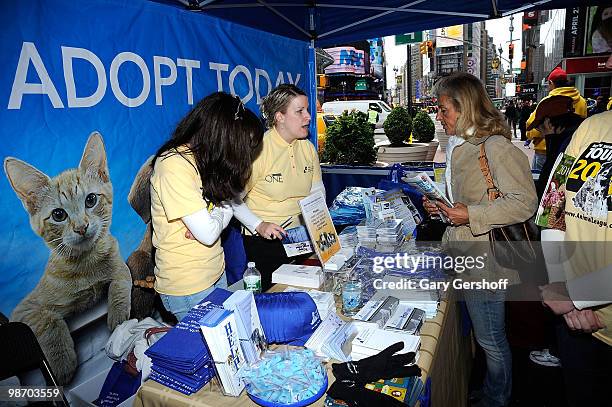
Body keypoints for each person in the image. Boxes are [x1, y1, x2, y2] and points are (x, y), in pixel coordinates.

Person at [424, 72, 537, 407]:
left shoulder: (495, 147)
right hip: (465, 254)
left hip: (486, 263)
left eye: (444, 110)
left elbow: (524, 202)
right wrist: (441, 209)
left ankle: (497, 398)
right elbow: (467, 203)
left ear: (466, 108)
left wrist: (469, 215)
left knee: (491, 338)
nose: (439, 117)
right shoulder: (463, 147)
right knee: (484, 334)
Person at [149, 92, 264, 320]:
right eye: (242, 145)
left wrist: (220, 211)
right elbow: (209, 233)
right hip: (189, 285)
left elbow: (212, 221)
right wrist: (226, 204)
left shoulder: (203, 159)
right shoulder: (174, 166)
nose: (244, 154)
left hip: (213, 272)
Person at [539, 110, 612, 406]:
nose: (607, 60)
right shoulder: (592, 127)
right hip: (575, 323)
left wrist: (574, 296)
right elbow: (552, 211)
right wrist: (560, 286)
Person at [233, 84, 324, 291]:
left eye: (307, 110)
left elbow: (317, 191)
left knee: (306, 293)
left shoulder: (308, 148)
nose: (308, 117)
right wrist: (259, 225)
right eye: (300, 111)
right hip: (266, 243)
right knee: (272, 300)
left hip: (301, 236)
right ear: (279, 117)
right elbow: (232, 199)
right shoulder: (258, 150)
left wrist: (319, 224)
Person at [526, 67, 587, 171]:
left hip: (545, 151)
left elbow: (532, 129)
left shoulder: (547, 102)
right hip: (570, 151)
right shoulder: (582, 101)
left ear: (551, 83)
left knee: (540, 181)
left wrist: (532, 135)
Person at [526, 95, 585, 198]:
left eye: (539, 129)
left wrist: (551, 139)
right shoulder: (583, 133)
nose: (542, 134)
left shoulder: (564, 144)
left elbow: (548, 184)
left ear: (548, 122)